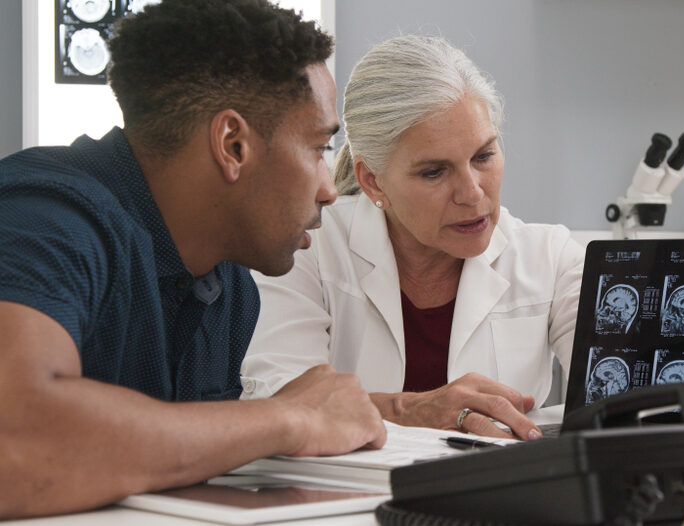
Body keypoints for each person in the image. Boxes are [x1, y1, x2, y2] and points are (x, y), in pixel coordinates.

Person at [0, 0, 386, 519]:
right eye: (318, 148)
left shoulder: (229, 286)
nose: (328, 190)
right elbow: (17, 442)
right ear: (233, 145)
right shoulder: (45, 220)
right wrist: (289, 418)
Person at [241, 35, 585, 440]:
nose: (472, 193)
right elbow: (278, 405)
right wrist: (408, 410)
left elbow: (630, 395)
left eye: (483, 156)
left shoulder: (552, 258)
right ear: (372, 181)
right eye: (434, 172)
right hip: (341, 499)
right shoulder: (307, 248)